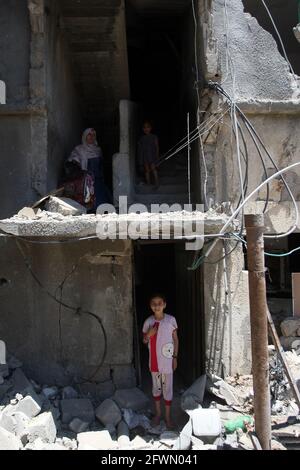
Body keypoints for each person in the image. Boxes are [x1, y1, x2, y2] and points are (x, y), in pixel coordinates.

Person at [142, 294, 179, 429]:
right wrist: (148, 335)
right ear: (151, 306)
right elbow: (144, 341)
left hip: (168, 362)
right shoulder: (148, 322)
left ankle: (168, 417)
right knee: (156, 388)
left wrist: (175, 358)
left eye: (159, 303)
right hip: (154, 362)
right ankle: (158, 414)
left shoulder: (171, 320)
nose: (157, 306)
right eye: (154, 303)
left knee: (168, 388)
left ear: (164, 304)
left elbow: (175, 340)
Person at [67, 128, 111, 210]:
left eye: (93, 135)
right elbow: (72, 161)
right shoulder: (79, 149)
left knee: (101, 203)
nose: (91, 137)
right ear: (85, 136)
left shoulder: (98, 150)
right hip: (85, 180)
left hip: (98, 181)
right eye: (89, 135)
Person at [137, 121, 160, 188]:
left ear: (151, 128)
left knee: (153, 168)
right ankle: (148, 183)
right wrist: (140, 160)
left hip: (152, 156)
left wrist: (157, 157)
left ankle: (157, 182)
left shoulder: (154, 137)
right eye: (144, 127)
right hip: (145, 156)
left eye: (148, 127)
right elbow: (140, 149)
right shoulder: (141, 138)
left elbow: (157, 147)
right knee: (146, 170)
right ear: (142, 129)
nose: (146, 129)